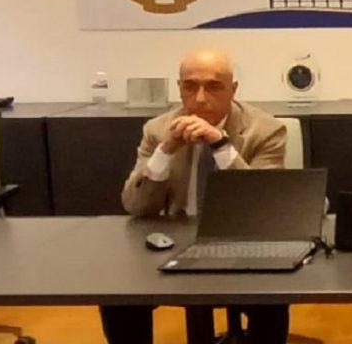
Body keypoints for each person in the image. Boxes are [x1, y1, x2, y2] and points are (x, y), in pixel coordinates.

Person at [100, 48, 290, 344]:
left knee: (272, 299)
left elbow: (263, 206)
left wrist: (220, 144)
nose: (200, 98)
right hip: (174, 243)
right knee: (117, 295)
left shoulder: (266, 130)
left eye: (213, 87)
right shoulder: (157, 130)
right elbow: (135, 205)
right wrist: (165, 150)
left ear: (233, 90)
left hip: (241, 243)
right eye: (190, 87)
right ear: (179, 89)